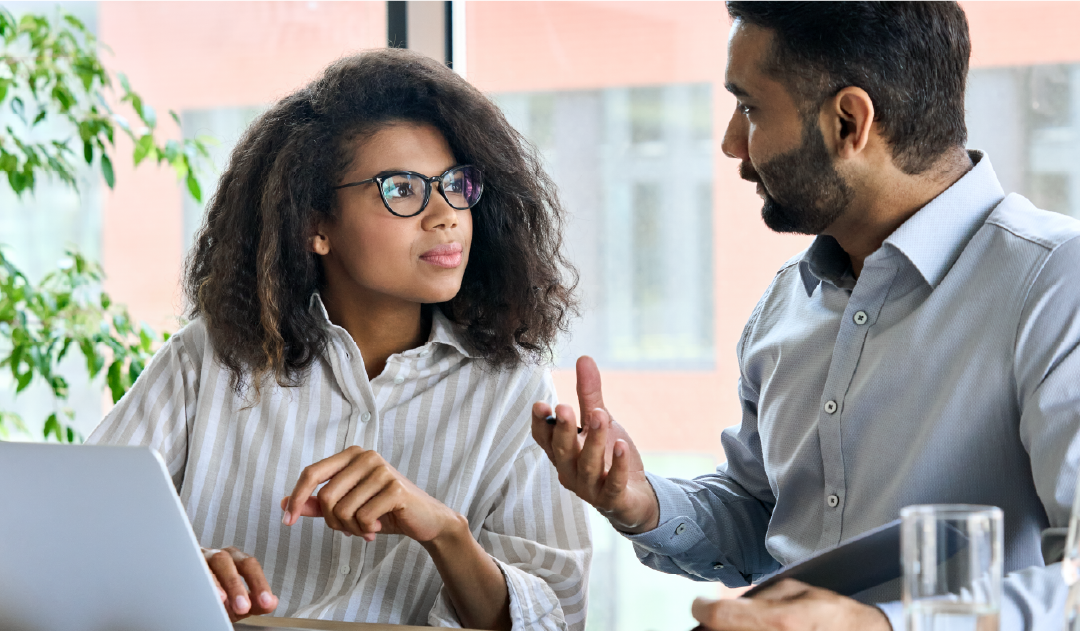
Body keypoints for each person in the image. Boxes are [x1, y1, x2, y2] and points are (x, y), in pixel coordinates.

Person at [531, 1, 1080, 630]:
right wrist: (643, 502)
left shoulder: (1056, 282)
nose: (731, 144)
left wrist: (878, 625)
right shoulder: (788, 301)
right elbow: (765, 518)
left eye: (749, 108)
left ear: (849, 121)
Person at [88, 48, 590, 631]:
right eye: (402, 189)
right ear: (315, 226)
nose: (446, 214)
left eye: (456, 185)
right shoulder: (209, 358)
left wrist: (446, 533)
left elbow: (557, 618)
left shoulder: (514, 388)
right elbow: (76, 529)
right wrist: (180, 567)